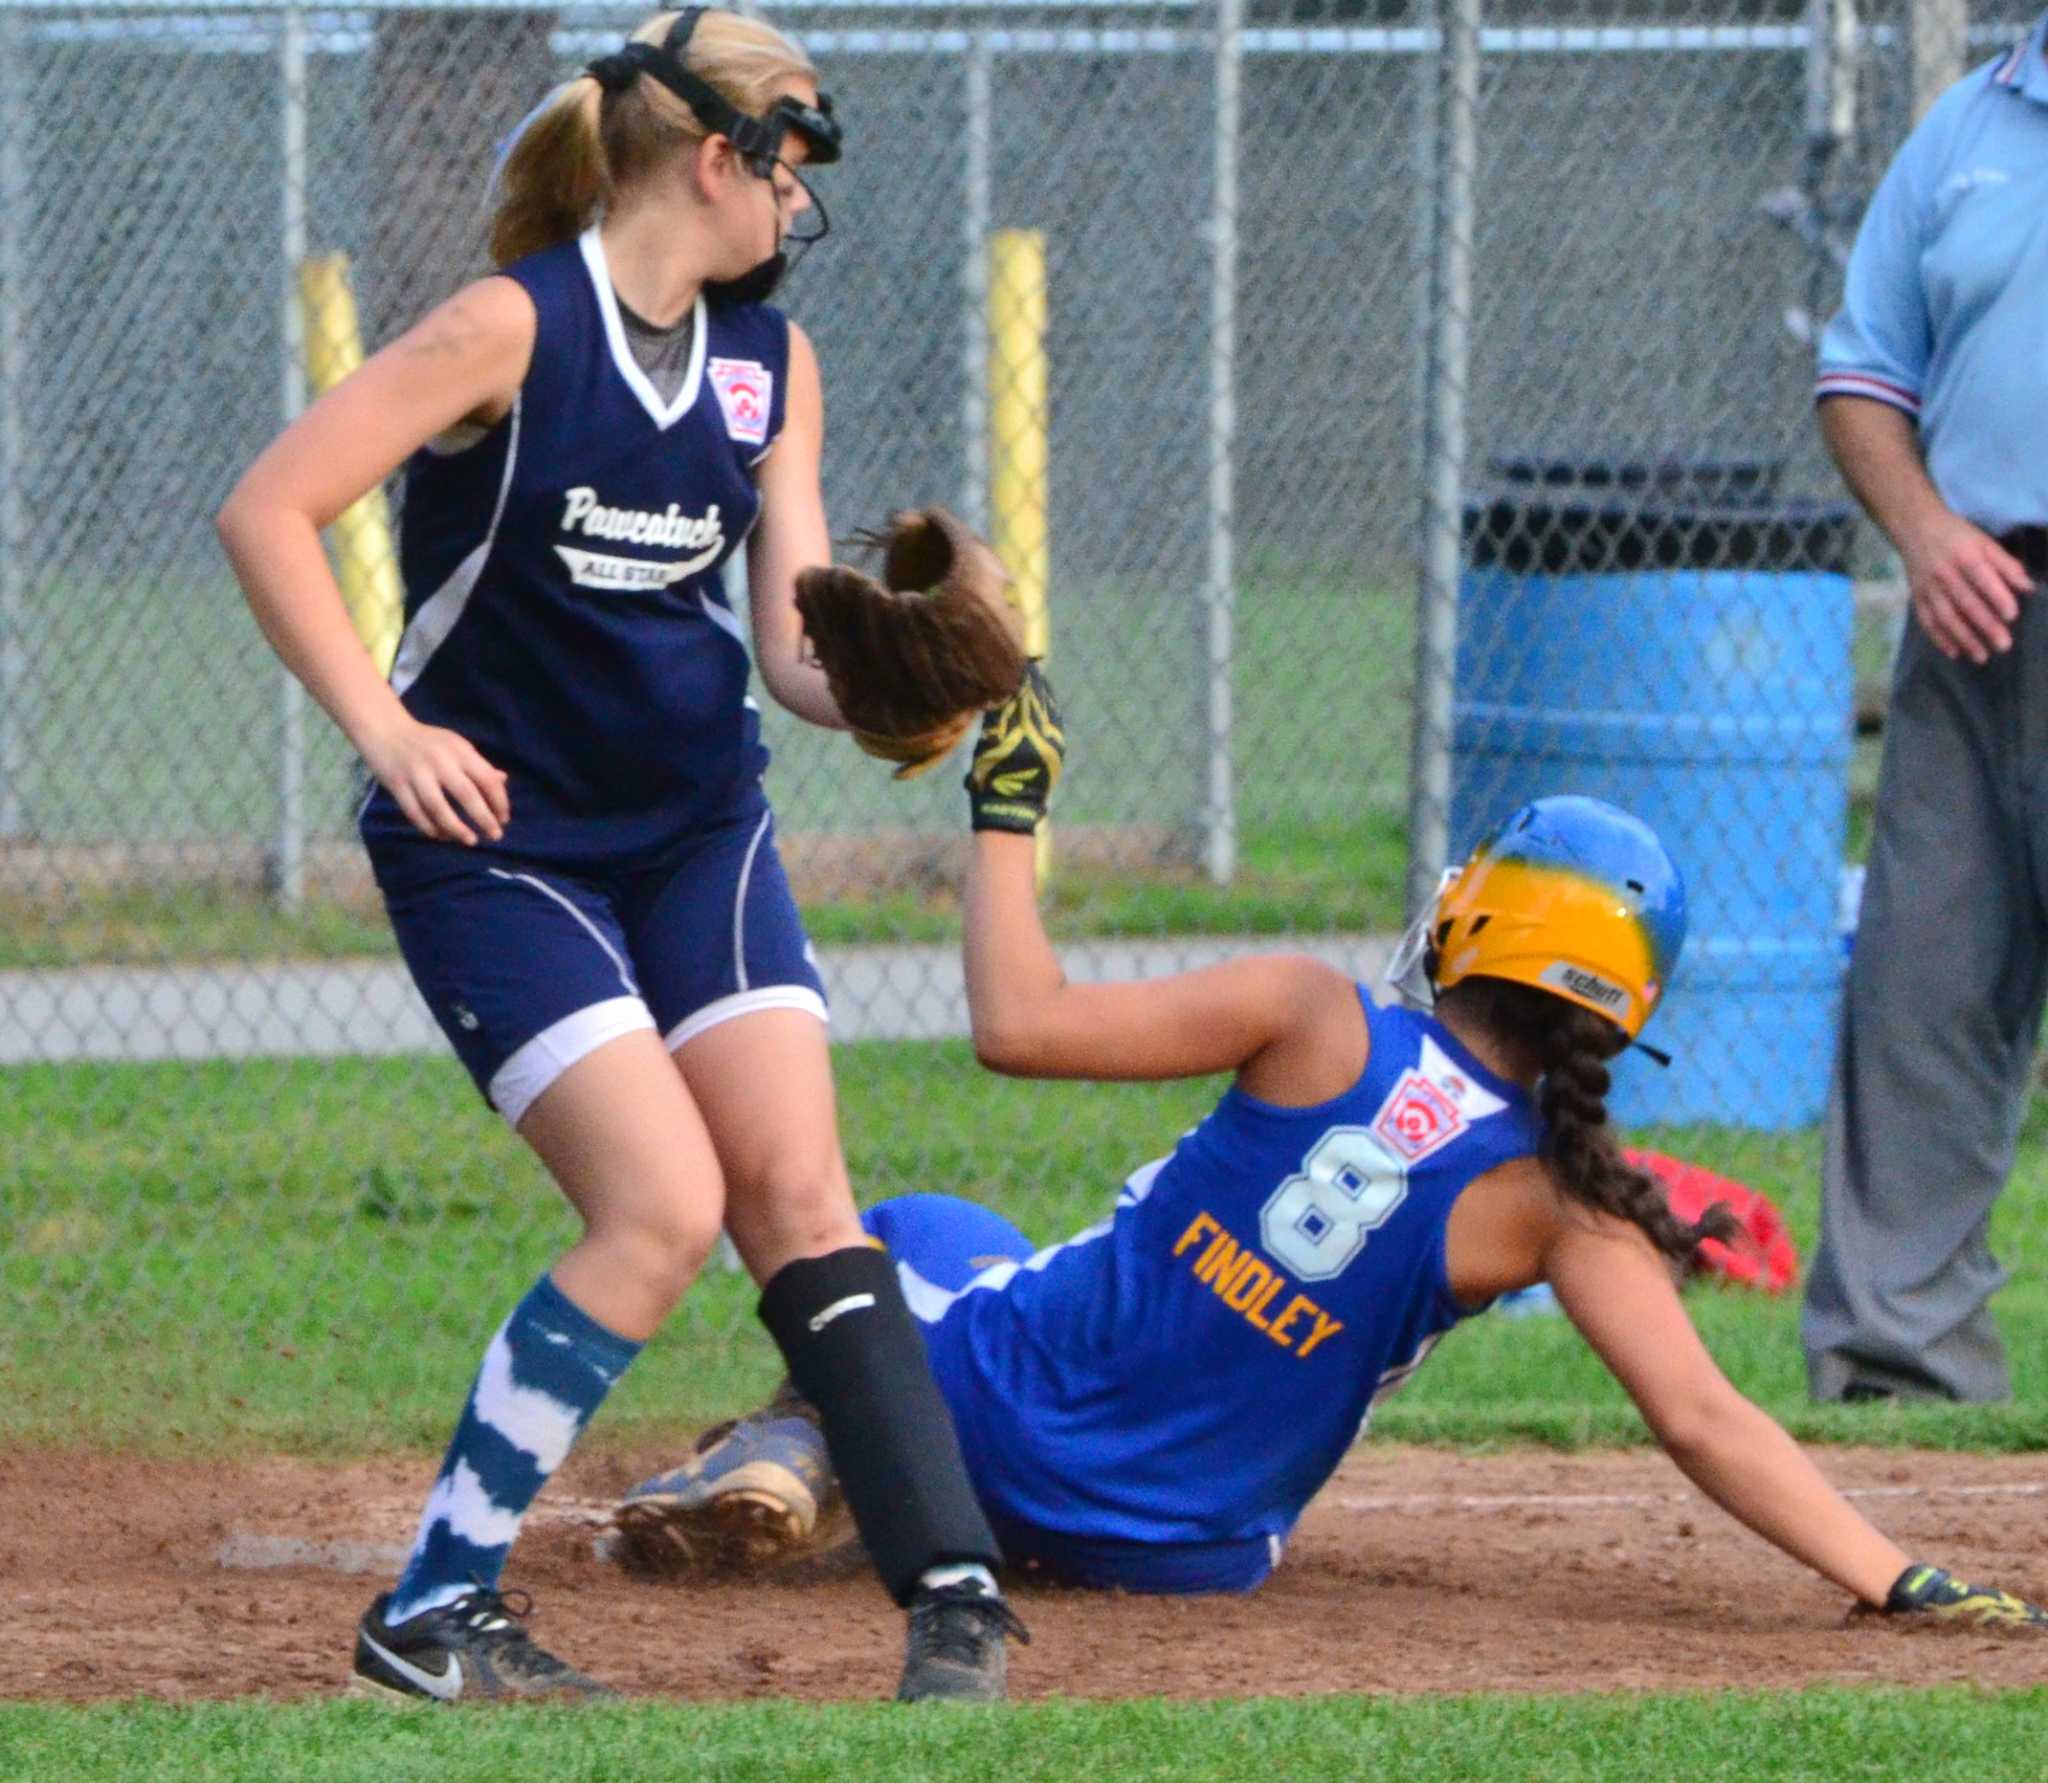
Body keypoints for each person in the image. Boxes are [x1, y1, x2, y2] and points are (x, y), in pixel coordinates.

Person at [215, 8, 1024, 1703]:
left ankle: (955, 1598)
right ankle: (430, 1617)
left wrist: (904, 683)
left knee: (799, 1192)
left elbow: (793, 650)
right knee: (659, 1208)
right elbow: (269, 507)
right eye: (792, 159)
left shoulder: (770, 366)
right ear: (717, 159)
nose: (801, 199)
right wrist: (388, 729)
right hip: (503, 847)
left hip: (696, 834)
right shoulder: (512, 326)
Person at [612, 676, 2046, 1627]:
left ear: (1472, 921)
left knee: (924, 1231)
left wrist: (1007, 812)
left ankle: (803, 1441)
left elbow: (1015, 1022)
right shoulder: (1563, 1205)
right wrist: (1895, 1575)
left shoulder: (1313, 1013)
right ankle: (832, 1460)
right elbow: (1705, 1420)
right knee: (1005, 1284)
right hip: (1183, 1556)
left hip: (986, 1423)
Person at [1802, 22, 2048, 1404]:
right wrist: (1927, 533)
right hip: (1975, 621)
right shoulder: (1965, 130)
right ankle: (1901, 1377)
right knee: (1923, 996)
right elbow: (1864, 376)